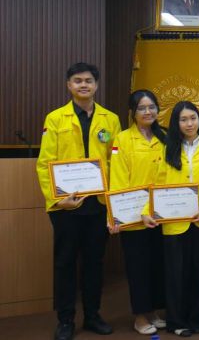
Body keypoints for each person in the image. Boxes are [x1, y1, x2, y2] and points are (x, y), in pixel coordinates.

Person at [36, 63, 120, 340]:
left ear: (96, 85)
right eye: (77, 80)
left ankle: (93, 315)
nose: (83, 85)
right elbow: (45, 163)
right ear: (68, 85)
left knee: (95, 263)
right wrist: (57, 200)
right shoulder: (55, 119)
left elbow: (116, 161)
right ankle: (65, 320)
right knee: (65, 263)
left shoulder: (111, 119)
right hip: (66, 206)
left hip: (98, 204)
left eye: (88, 81)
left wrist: (114, 203)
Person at [146, 101, 199, 336]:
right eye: (184, 119)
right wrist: (148, 211)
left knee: (198, 271)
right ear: (175, 123)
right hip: (173, 221)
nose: (189, 124)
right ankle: (176, 322)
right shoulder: (166, 148)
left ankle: (196, 319)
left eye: (193, 118)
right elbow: (157, 183)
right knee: (175, 273)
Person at [110, 89, 168, 335]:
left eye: (152, 107)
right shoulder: (122, 139)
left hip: (162, 214)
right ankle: (140, 316)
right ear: (133, 112)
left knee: (158, 265)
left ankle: (153, 310)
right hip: (134, 216)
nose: (148, 112)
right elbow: (118, 178)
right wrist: (115, 215)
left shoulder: (166, 136)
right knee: (138, 267)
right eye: (142, 108)